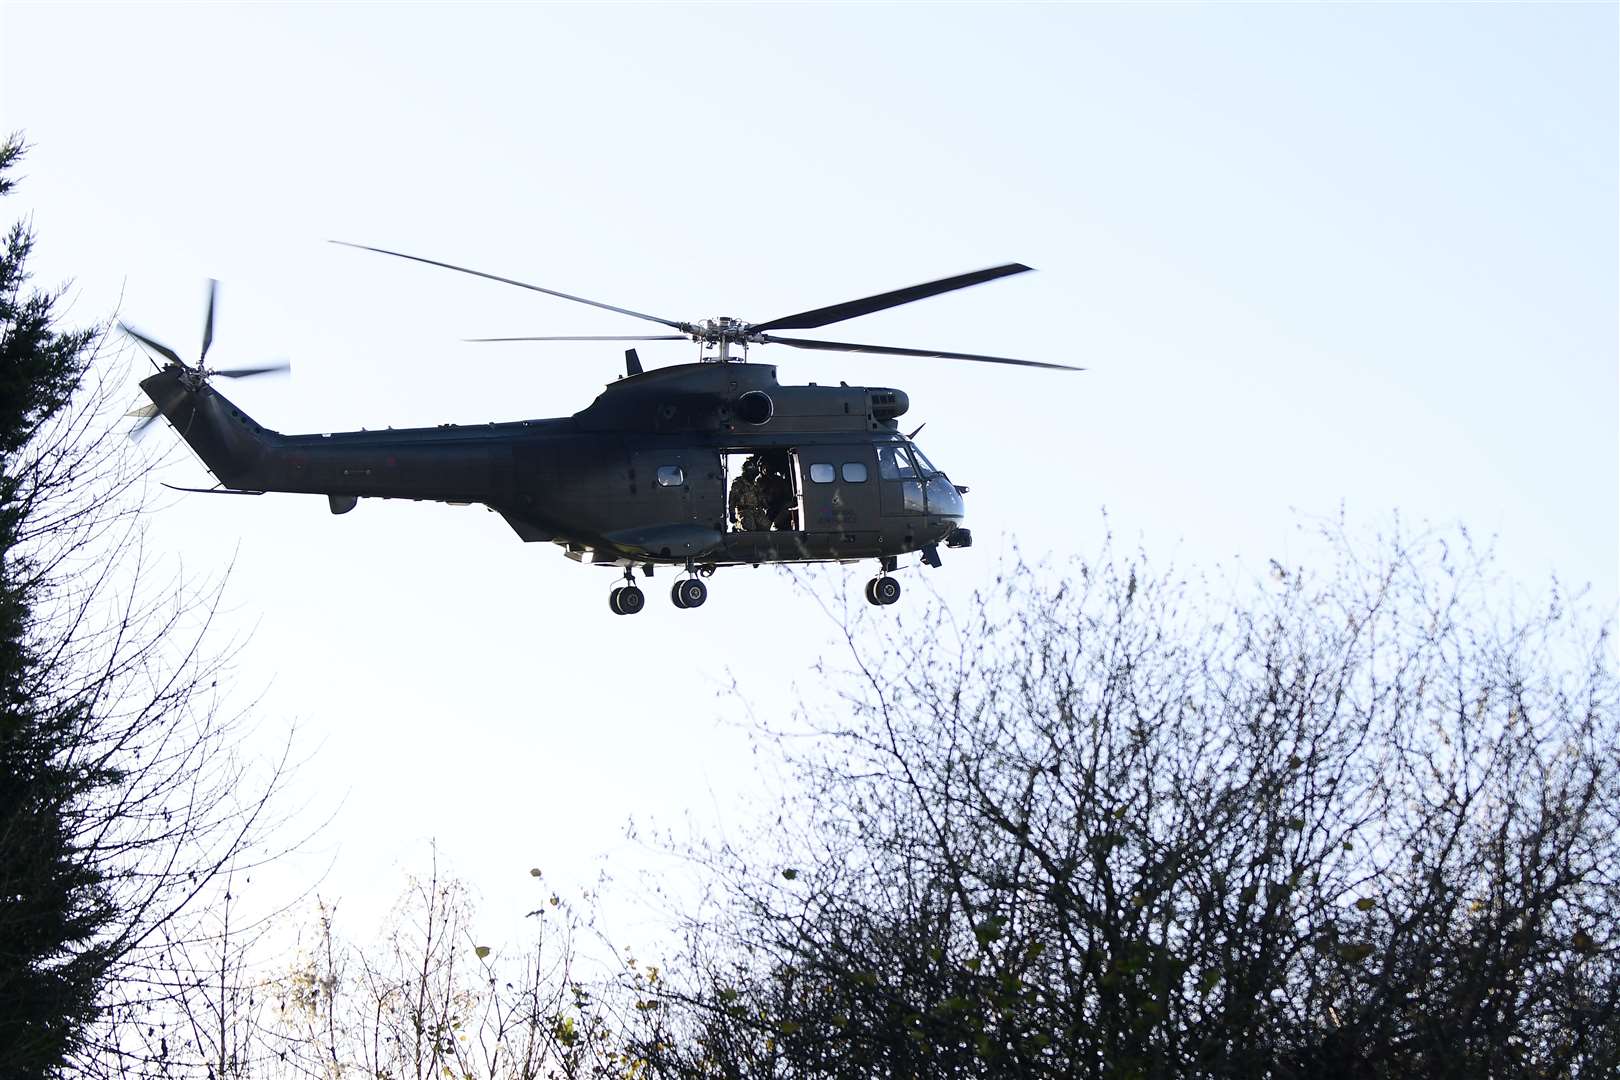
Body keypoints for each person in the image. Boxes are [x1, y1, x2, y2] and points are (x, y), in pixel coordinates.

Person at [729, 458, 768, 531]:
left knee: (766, 527)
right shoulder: (738, 483)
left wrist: (765, 505)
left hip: (756, 511)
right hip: (744, 511)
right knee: (750, 527)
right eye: (750, 472)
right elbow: (732, 499)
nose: (751, 474)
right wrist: (732, 513)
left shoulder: (755, 484)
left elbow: (760, 496)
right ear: (745, 472)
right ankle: (737, 525)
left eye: (752, 472)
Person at [759, 452, 794, 530]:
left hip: (778, 506)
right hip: (765, 508)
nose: (766, 469)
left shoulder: (779, 480)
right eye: (764, 466)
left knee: (788, 505)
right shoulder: (758, 482)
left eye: (768, 466)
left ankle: (776, 525)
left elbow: (787, 494)